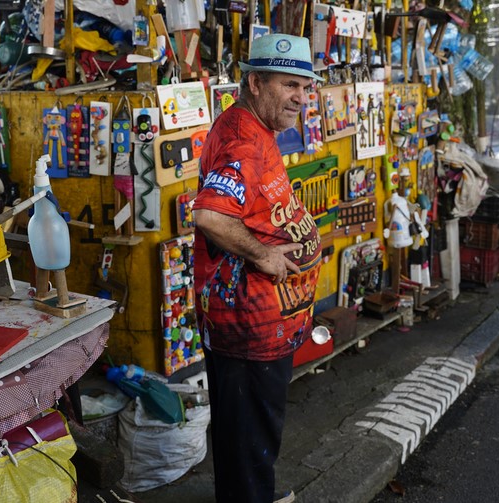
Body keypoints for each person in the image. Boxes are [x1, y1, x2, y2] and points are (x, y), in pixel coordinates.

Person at [192, 33, 323, 503]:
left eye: (305, 88)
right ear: (254, 83)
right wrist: (265, 254)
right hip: (246, 325)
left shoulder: (253, 129)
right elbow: (209, 215)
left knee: (250, 434)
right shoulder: (242, 140)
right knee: (248, 434)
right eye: (290, 85)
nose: (301, 99)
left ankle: (254, 494)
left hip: (260, 322)